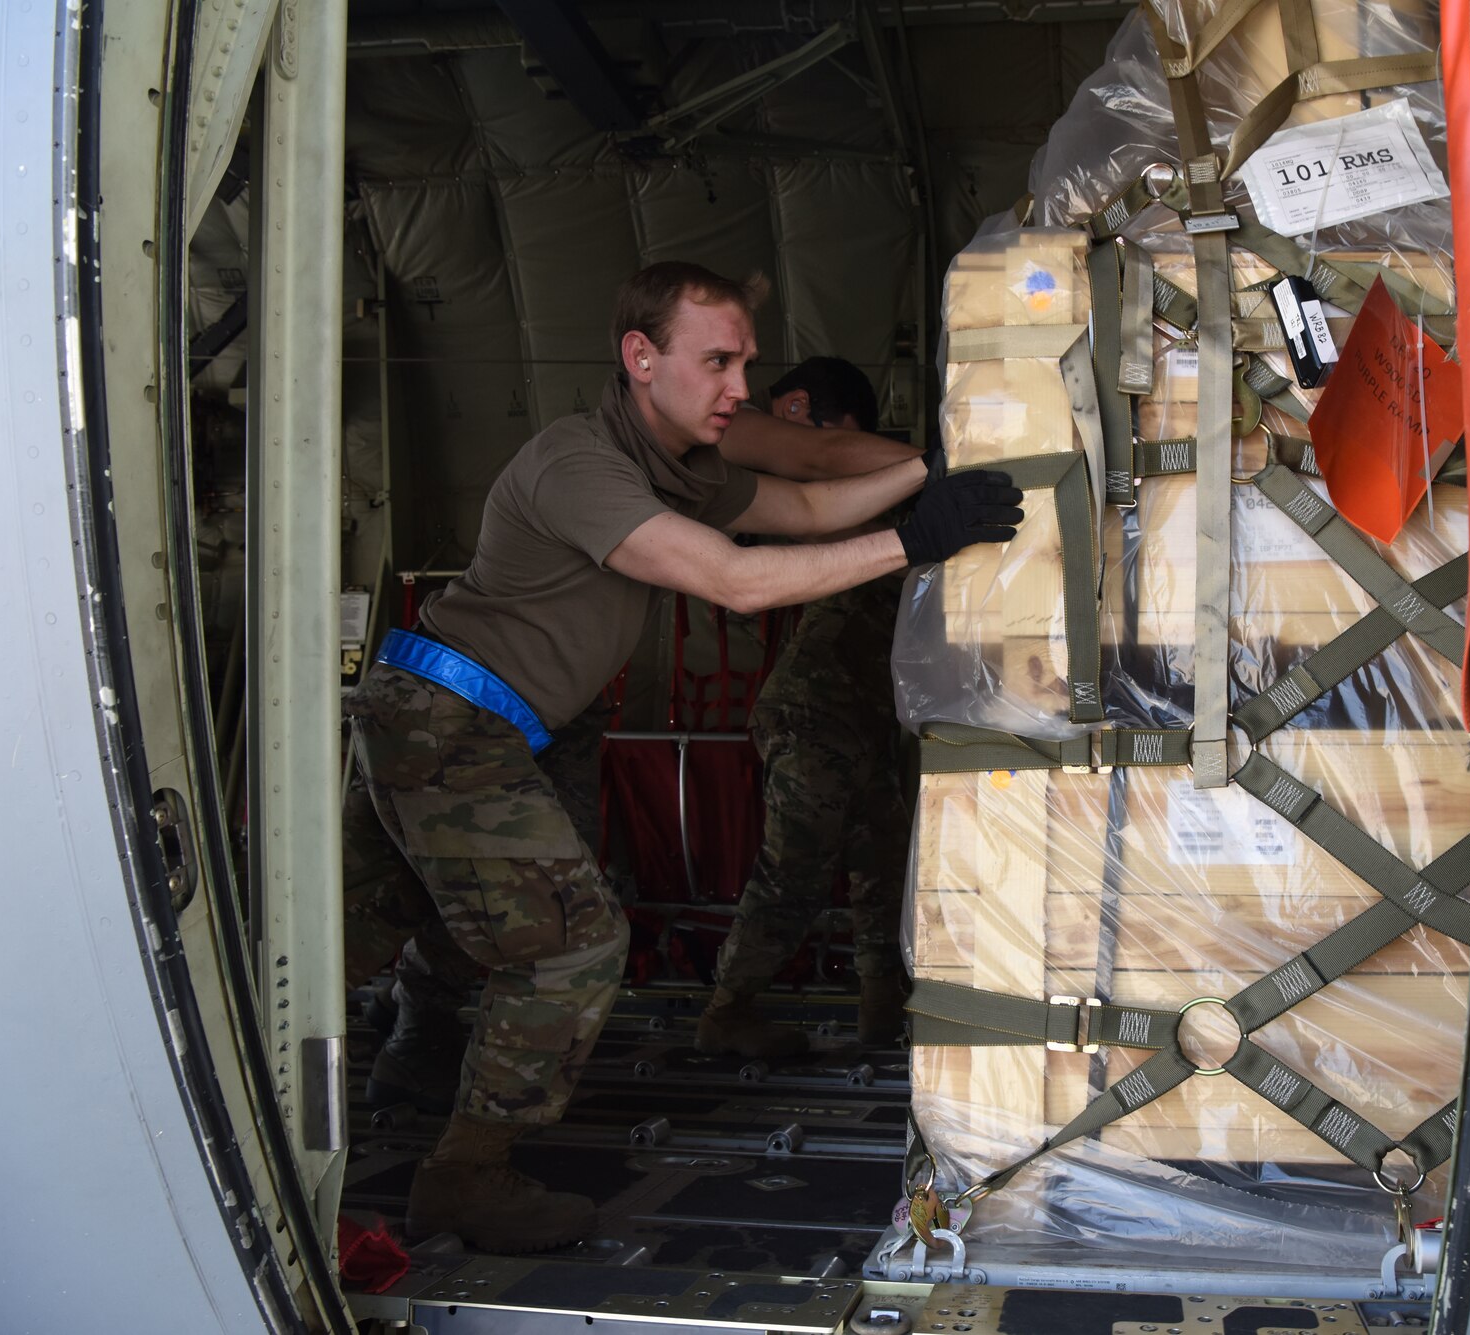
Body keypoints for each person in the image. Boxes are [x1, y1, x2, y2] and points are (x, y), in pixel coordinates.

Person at [340, 262, 1021, 1254]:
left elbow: (810, 505)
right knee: (570, 943)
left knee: (381, 918)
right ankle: (467, 1174)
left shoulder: (686, 465)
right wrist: (915, 540)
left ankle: (403, 1059)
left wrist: (933, 473)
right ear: (640, 357)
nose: (739, 385)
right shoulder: (580, 464)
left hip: (498, 722)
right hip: (450, 714)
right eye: (717, 361)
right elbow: (736, 580)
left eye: (743, 359)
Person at [694, 357, 916, 1059]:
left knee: (884, 866)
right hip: (815, 713)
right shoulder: (847, 492)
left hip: (872, 721)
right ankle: (729, 1009)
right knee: (795, 866)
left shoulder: (885, 489)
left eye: (796, 413)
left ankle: (885, 1013)